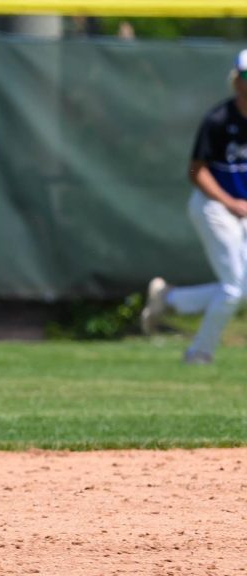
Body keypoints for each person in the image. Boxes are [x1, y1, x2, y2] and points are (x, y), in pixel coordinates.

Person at [141, 49, 247, 365]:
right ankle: (199, 353)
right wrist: (229, 202)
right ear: (236, 80)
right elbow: (196, 171)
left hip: (243, 208)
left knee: (242, 288)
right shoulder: (218, 120)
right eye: (245, 76)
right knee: (233, 289)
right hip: (214, 206)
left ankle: (169, 298)